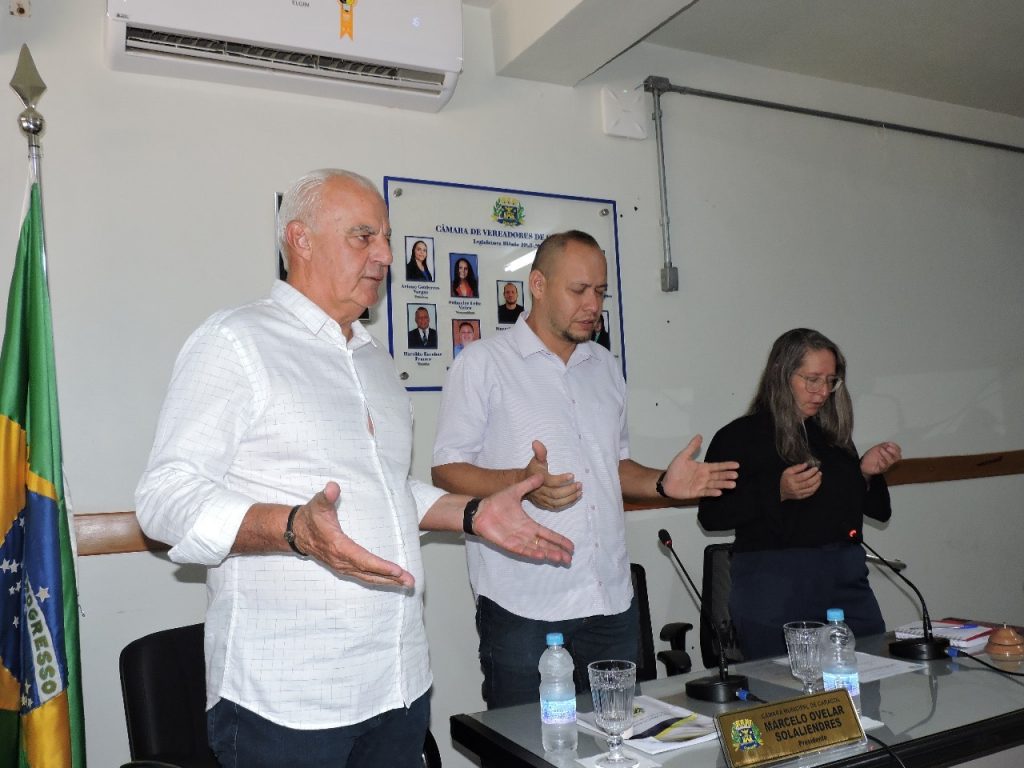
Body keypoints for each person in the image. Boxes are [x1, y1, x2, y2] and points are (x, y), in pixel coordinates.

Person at [135, 169, 573, 768]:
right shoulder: (235, 341)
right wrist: (294, 528)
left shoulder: (375, 361)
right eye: (363, 236)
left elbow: (388, 491)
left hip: (398, 684)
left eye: (387, 238)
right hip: (288, 703)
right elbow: (163, 502)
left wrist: (471, 514)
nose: (386, 256)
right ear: (301, 239)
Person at [431, 229, 739, 709]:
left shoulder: (604, 366)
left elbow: (612, 467)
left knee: (615, 742)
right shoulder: (483, 363)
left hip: (609, 602)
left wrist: (661, 483)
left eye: (599, 291)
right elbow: (447, 470)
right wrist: (520, 482)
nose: (592, 304)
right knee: (524, 748)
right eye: (578, 290)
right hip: (523, 604)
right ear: (537, 285)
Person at [697, 328, 902, 660]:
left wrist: (865, 473)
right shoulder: (739, 436)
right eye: (812, 379)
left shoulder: (834, 437)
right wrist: (776, 491)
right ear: (782, 375)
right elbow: (711, 515)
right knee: (782, 694)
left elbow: (870, 511)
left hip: (845, 582)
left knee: (866, 678)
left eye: (831, 381)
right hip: (774, 586)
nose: (822, 391)